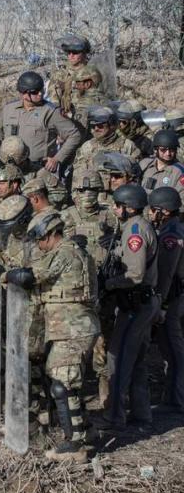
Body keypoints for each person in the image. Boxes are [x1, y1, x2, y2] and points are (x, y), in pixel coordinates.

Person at [4, 210, 100, 462]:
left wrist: (3, 275)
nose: (38, 244)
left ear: (49, 234)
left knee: (63, 383)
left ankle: (75, 444)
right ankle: (86, 432)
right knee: (69, 381)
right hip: (70, 326)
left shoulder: (65, 252)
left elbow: (29, 276)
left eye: (39, 239)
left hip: (73, 327)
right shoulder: (71, 252)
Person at [102, 184, 158, 432]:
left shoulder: (135, 230)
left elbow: (134, 274)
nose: (115, 209)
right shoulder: (135, 227)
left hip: (136, 303)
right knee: (137, 361)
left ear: (130, 207)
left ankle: (114, 417)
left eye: (118, 205)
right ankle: (142, 414)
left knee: (120, 358)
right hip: (143, 302)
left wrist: (109, 283)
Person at [0, 71, 83, 175]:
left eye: (41, 90)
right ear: (23, 93)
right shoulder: (8, 109)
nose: (40, 94)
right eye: (35, 92)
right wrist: (0, 155)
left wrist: (57, 159)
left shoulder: (50, 112)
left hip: (37, 172)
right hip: (10, 170)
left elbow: (74, 135)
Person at [146, 188, 184, 413]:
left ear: (164, 210)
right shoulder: (174, 227)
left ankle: (177, 399)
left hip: (174, 298)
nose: (151, 213)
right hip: (176, 296)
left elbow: (168, 273)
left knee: (174, 349)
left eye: (154, 209)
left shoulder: (171, 234)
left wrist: (161, 302)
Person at [71, 106, 141, 177]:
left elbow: (136, 173)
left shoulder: (127, 146)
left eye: (100, 126)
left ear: (111, 125)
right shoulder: (87, 147)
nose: (96, 129)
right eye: (93, 126)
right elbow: (77, 172)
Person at [49, 33, 92, 118]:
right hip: (65, 119)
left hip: (88, 118)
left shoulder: (93, 74)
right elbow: (54, 101)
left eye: (75, 52)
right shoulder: (60, 75)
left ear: (84, 53)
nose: (71, 55)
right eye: (68, 52)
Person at [139, 129, 184, 204]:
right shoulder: (144, 164)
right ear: (156, 150)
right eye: (163, 150)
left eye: (172, 150)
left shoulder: (179, 172)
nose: (168, 153)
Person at [70, 65, 108, 129]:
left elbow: (78, 131)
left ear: (87, 84)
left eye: (78, 83)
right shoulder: (105, 98)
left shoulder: (84, 103)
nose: (76, 86)